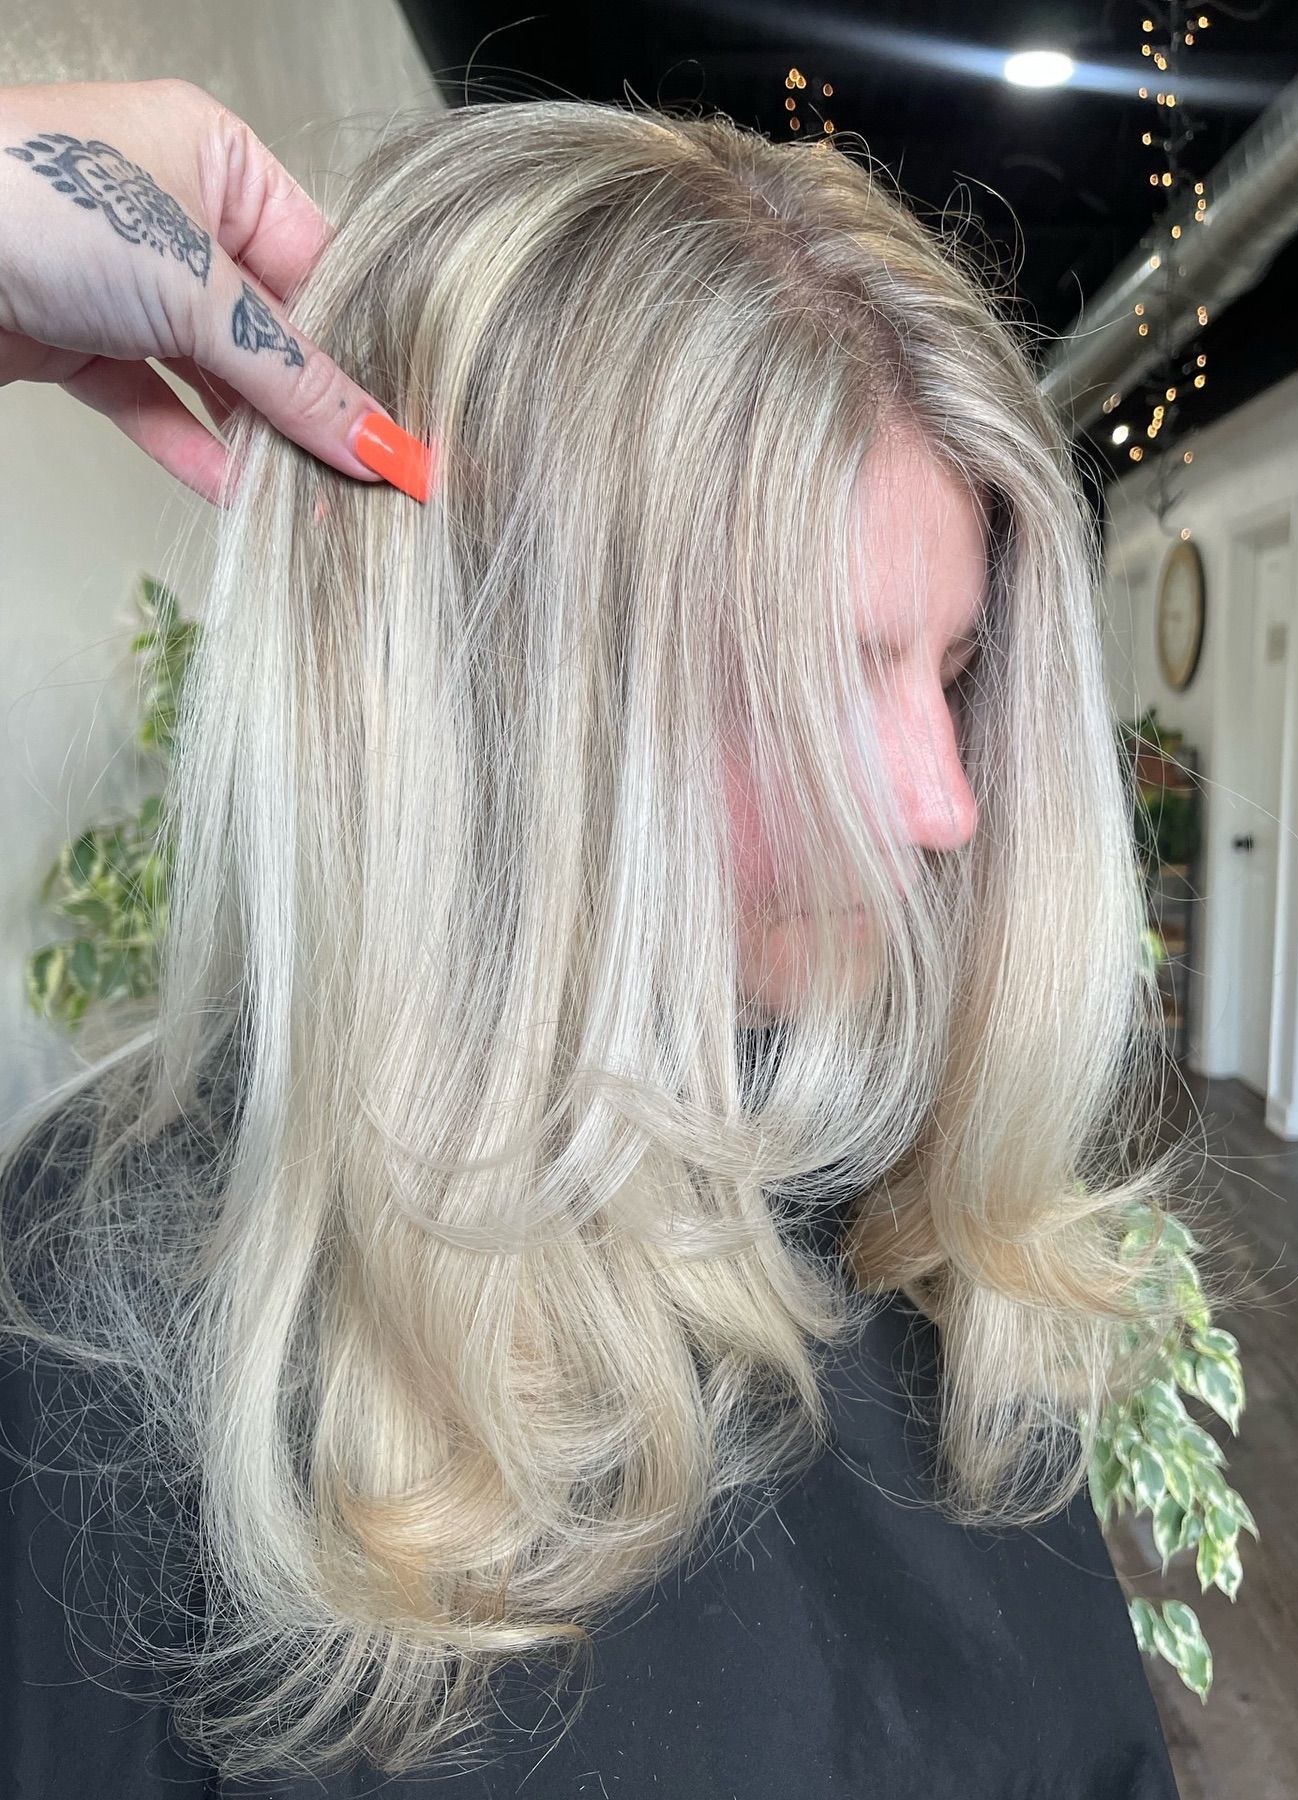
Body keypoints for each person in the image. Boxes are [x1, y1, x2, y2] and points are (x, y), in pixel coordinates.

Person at [0, 78, 1202, 1796]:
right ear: (485, 694)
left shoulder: (885, 1182)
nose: (945, 806)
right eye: (820, 679)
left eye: (952, 677)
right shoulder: (93, 1333)